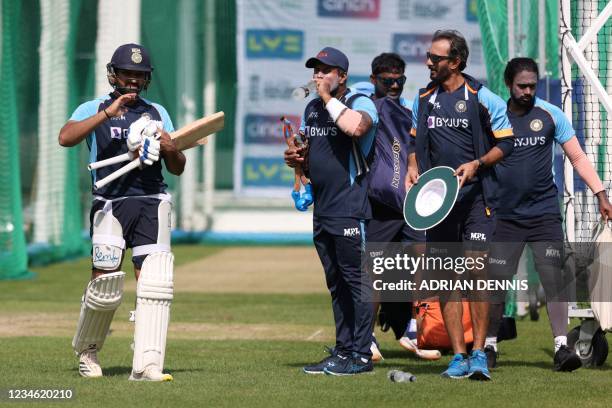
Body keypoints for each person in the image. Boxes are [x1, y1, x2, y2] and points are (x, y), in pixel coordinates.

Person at [58, 43, 185, 381]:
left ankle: (147, 363)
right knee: (105, 283)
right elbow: (65, 138)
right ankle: (88, 352)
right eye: (127, 73)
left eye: (139, 75)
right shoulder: (93, 106)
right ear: (113, 74)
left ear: (147, 79)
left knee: (154, 284)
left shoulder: (157, 111)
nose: (132, 80)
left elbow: (177, 167)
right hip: (110, 204)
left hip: (151, 201)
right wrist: (106, 114)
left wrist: (172, 147)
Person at [485, 57, 612, 371]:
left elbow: (578, 157)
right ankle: (488, 347)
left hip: (544, 215)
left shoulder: (551, 114)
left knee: (555, 279)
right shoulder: (494, 117)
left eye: (532, 85)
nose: (528, 91)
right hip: (506, 217)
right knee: (496, 281)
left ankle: (561, 349)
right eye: (521, 86)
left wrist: (600, 193)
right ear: (508, 85)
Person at [405, 30, 515, 380]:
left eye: (435, 58)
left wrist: (477, 164)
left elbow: (507, 144)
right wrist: (411, 166)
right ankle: (458, 356)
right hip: (438, 205)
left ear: (455, 62)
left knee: (475, 274)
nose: (428, 62)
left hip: (476, 202)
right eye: (428, 56)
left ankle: (480, 352)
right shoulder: (423, 98)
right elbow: (413, 139)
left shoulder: (483, 97)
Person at [284, 47, 379, 376]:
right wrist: (297, 161)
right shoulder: (311, 109)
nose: (318, 76)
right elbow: (309, 152)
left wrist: (326, 97)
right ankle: (343, 351)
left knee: (357, 283)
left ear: (342, 75)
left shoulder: (359, 102)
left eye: (326, 70)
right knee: (336, 284)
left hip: (350, 208)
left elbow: (357, 129)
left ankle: (362, 355)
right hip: (323, 209)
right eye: (316, 70)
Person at [356, 53, 438, 361]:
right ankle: (368, 338)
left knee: (419, 265)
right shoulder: (367, 111)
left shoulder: (408, 112)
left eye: (399, 80)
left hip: (413, 204)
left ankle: (414, 330)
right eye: (387, 80)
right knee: (376, 270)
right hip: (380, 205)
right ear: (374, 79)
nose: (393, 85)